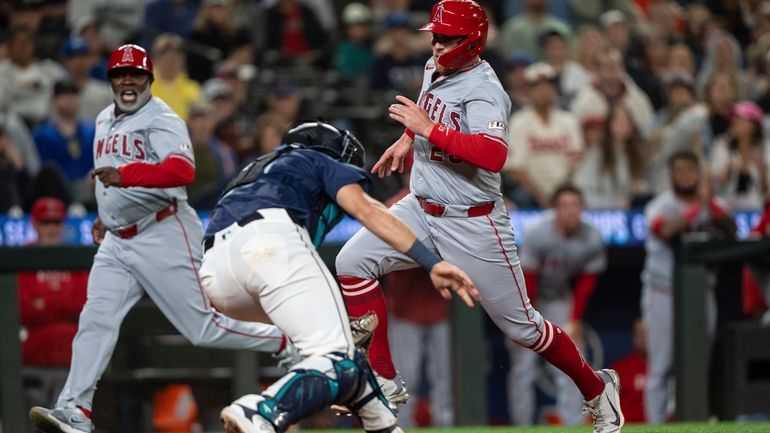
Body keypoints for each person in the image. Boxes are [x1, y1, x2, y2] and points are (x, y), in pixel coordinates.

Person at [334, 2, 624, 432]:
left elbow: (494, 155)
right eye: (434, 35)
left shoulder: (485, 88)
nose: (435, 43)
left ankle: (598, 391)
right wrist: (407, 138)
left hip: (473, 220)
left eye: (445, 37)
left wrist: (428, 131)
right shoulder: (436, 69)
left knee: (524, 328)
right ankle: (383, 378)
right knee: (350, 263)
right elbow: (429, 112)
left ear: (471, 41)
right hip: (420, 206)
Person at [28, 44, 297, 433]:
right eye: (120, 74)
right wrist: (107, 216)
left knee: (202, 328)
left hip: (163, 230)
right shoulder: (103, 119)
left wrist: (129, 175)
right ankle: (76, 409)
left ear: (149, 80)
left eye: (136, 74)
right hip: (119, 241)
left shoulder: (163, 119)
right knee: (95, 320)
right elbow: (107, 180)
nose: (128, 81)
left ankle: (285, 340)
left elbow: (181, 170)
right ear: (110, 81)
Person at [197, 121, 478, 433]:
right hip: (271, 245)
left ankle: (382, 424)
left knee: (340, 359)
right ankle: (262, 409)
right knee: (338, 356)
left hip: (216, 274)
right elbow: (367, 211)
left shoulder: (252, 172)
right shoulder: (318, 159)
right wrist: (429, 261)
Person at [641, 150, 737, 424]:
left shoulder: (715, 204)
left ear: (699, 173)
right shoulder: (659, 205)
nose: (684, 175)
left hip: (701, 293)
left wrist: (710, 204)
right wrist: (700, 204)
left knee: (698, 363)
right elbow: (667, 230)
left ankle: (694, 422)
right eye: (678, 169)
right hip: (663, 293)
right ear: (670, 174)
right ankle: (655, 427)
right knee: (660, 366)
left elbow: (732, 232)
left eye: (689, 170)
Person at [508, 184, 607, 426]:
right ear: (555, 210)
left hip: (558, 296)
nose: (570, 212)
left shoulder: (591, 236)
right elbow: (528, 278)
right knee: (524, 366)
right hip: (523, 298)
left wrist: (574, 319)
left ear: (582, 208)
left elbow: (586, 282)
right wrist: (525, 321)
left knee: (572, 359)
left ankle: (572, 424)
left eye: (575, 206)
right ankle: (522, 425)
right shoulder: (538, 232)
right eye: (564, 207)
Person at [19, 197, 88, 412]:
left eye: (56, 223)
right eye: (46, 222)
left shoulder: (73, 258)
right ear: (34, 224)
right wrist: (62, 305)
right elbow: (22, 310)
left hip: (71, 361)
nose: (51, 228)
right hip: (31, 361)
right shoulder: (22, 258)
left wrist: (44, 304)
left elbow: (83, 305)